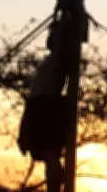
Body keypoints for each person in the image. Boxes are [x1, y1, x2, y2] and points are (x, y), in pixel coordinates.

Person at [17, 12, 70, 192]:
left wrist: (66, 12)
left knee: (51, 155)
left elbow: (63, 36)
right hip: (38, 107)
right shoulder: (53, 57)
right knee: (49, 157)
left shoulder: (60, 55)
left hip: (45, 107)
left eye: (53, 33)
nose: (50, 36)